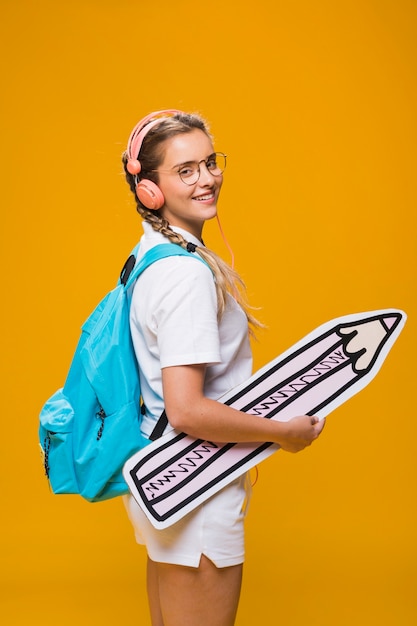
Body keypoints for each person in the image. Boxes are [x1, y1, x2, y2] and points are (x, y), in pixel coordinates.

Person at [121, 109, 325, 626]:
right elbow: (187, 410)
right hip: (200, 488)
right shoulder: (186, 277)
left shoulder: (148, 255)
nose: (208, 178)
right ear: (149, 189)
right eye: (185, 170)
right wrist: (283, 432)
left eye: (210, 162)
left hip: (164, 478)